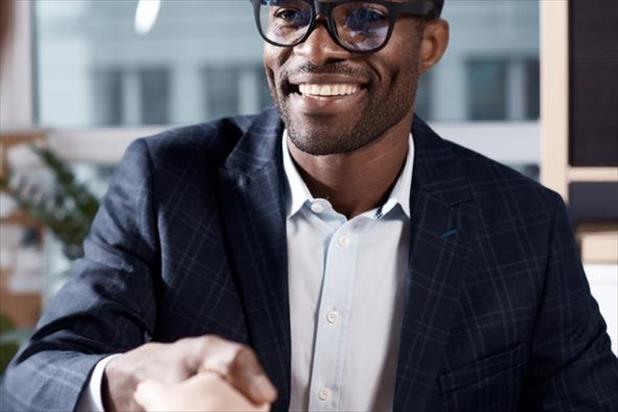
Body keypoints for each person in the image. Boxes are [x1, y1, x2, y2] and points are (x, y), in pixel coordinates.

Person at [2, 0, 618, 411]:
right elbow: (33, 381)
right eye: (291, 12)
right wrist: (135, 379)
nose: (315, 48)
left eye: (362, 18)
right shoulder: (167, 182)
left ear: (429, 44)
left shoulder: (523, 225)